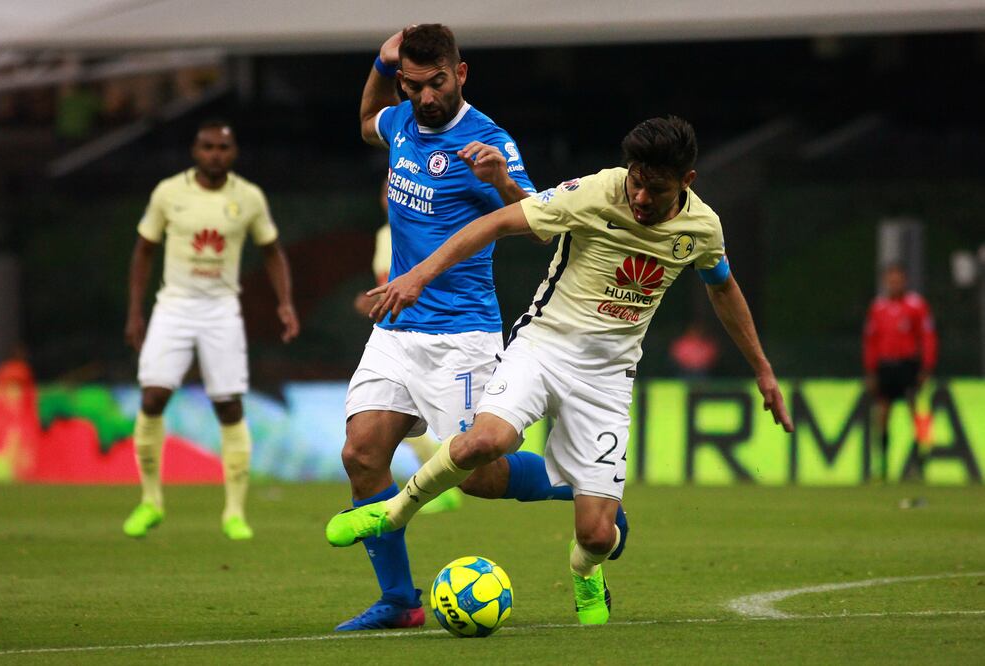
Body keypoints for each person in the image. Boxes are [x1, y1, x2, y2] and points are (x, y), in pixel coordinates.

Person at [326, 116, 795, 625]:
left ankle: (586, 571)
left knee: (597, 536)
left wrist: (763, 371)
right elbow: (494, 223)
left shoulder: (702, 228)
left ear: (687, 182)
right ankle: (393, 512)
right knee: (482, 444)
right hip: (541, 348)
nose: (639, 197)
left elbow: (722, 287)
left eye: (654, 189)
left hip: (608, 379)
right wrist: (418, 275)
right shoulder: (593, 192)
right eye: (635, 181)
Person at [336, 24, 627, 632]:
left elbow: (541, 222)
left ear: (460, 74)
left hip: (461, 336)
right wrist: (377, 63)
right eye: (412, 86)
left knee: (481, 478)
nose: (425, 97)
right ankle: (399, 600)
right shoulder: (401, 123)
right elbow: (368, 120)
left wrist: (499, 180)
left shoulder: (489, 140)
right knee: (362, 454)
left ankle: (583, 490)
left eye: (436, 83)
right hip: (396, 329)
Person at [122, 119, 299, 540]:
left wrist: (285, 302)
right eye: (207, 147)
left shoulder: (249, 197)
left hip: (221, 309)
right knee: (153, 396)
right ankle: (150, 501)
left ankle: (234, 512)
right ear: (195, 151)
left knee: (229, 405)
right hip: (175, 305)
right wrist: (135, 311)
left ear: (232, 152)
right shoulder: (168, 192)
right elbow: (144, 251)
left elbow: (272, 251)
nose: (215, 154)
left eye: (223, 147)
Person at [352, 177, 463, 515]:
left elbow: (395, 284)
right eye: (384, 190)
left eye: (393, 188)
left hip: (420, 333)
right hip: (401, 331)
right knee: (398, 422)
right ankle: (441, 488)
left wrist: (371, 301)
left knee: (456, 438)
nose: (389, 196)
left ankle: (445, 487)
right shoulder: (386, 234)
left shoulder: (404, 232)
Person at [863, 263, 937, 476]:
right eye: (890, 280)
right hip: (886, 367)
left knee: (918, 413)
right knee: (883, 414)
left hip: (909, 365)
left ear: (905, 281)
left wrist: (926, 367)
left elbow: (928, 337)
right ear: (886, 281)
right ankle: (883, 464)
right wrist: (871, 371)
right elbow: (870, 341)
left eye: (898, 280)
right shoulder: (878, 307)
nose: (894, 284)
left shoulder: (916, 305)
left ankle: (922, 460)